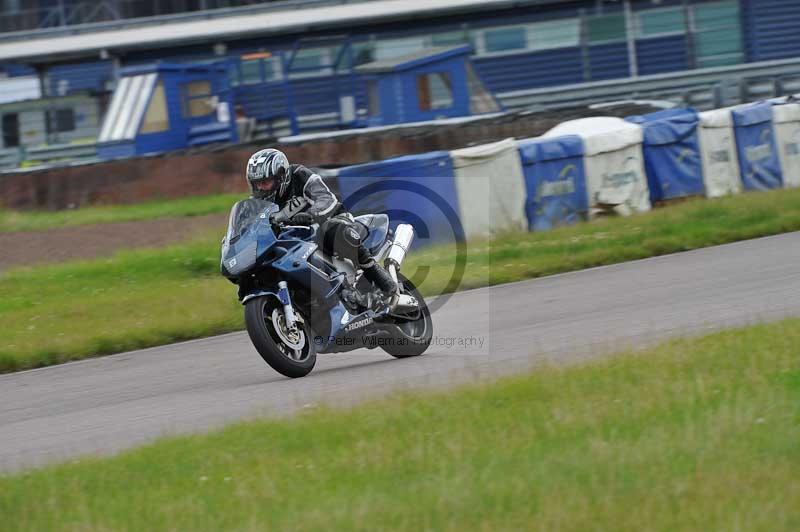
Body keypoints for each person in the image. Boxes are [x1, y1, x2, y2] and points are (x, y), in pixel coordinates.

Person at [245, 148, 397, 296]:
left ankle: (375, 272)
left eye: (265, 182)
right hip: (294, 237)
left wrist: (310, 214)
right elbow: (252, 225)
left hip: (331, 219)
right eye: (256, 183)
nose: (260, 187)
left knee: (334, 230)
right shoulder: (257, 202)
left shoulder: (299, 175)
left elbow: (326, 198)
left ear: (280, 176)